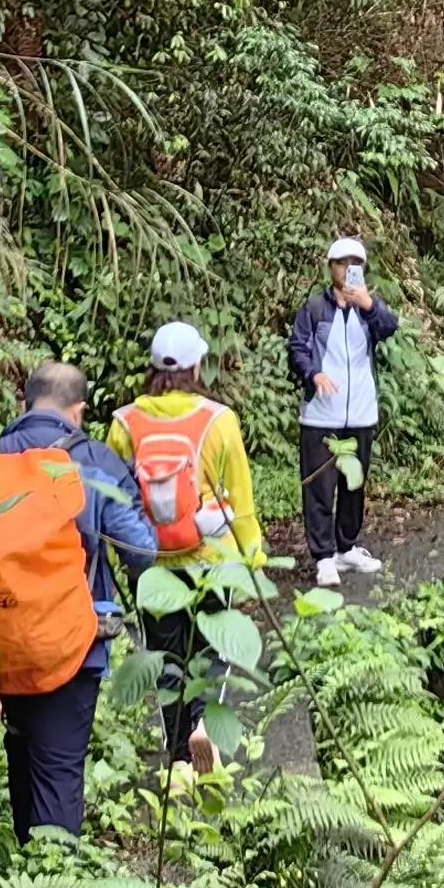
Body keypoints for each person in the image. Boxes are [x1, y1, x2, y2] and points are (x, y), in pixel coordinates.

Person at [0, 358, 155, 839]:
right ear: (80, 411)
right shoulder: (93, 460)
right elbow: (141, 549)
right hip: (72, 643)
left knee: (22, 754)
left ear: (24, 401)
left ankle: (25, 883)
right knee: (60, 769)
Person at [110, 321, 267, 776]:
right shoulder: (219, 420)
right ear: (198, 365)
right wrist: (251, 555)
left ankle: (178, 757)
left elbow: (117, 498)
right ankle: (203, 729)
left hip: (152, 563)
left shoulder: (125, 423)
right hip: (212, 560)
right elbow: (239, 498)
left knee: (165, 658)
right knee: (211, 651)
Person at [285, 235, 400, 582]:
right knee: (320, 486)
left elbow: (390, 327)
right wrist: (313, 373)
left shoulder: (368, 310)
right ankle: (323, 558)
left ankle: (346, 549)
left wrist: (368, 303)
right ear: (330, 268)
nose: (349, 270)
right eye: (342, 264)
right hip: (321, 414)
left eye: (356, 265)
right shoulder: (315, 309)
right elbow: (297, 348)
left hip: (362, 412)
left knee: (354, 483)